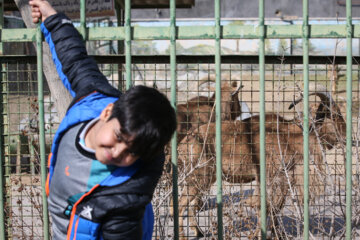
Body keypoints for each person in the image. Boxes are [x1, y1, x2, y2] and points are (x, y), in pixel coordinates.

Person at [29, 1, 177, 239]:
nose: (118, 152)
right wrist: (53, 19)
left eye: (132, 152)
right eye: (119, 137)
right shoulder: (93, 101)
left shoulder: (124, 203)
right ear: (107, 112)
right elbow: (75, 61)